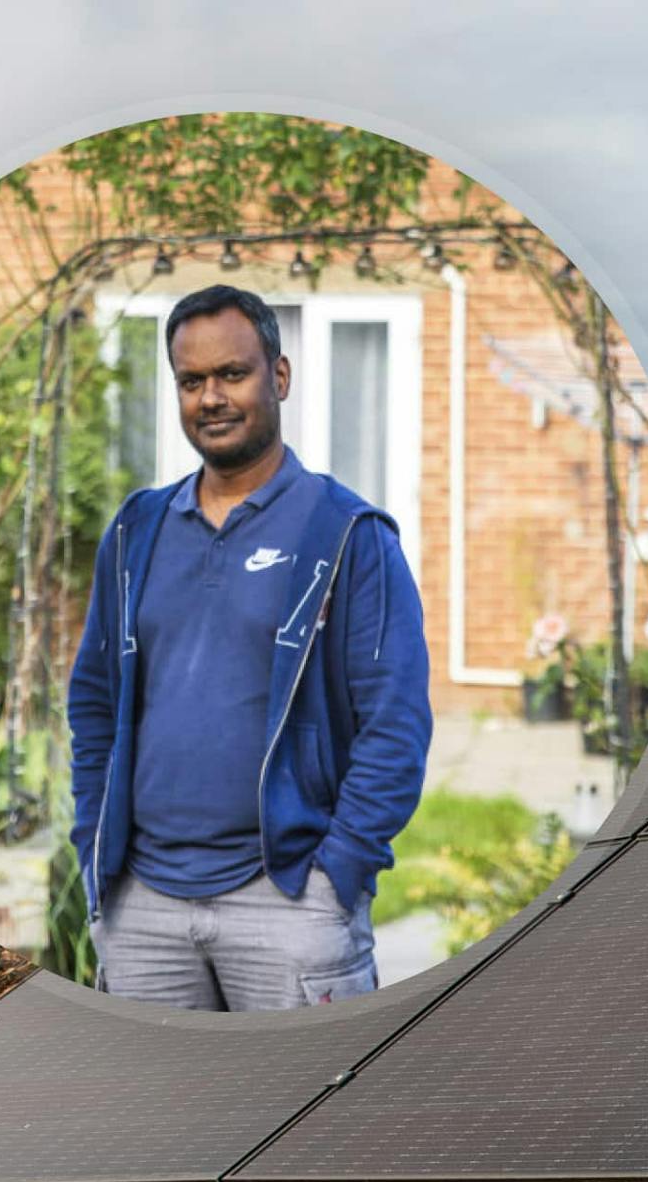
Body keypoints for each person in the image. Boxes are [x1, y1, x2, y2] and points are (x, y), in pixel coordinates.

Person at [67, 284, 431, 1011]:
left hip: (289, 901)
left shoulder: (346, 533)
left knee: (306, 1121)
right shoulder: (136, 532)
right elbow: (94, 700)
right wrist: (93, 848)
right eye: (191, 381)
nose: (212, 397)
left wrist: (339, 875)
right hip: (144, 910)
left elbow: (395, 725)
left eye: (232, 374)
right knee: (161, 1123)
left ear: (280, 376)